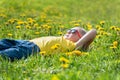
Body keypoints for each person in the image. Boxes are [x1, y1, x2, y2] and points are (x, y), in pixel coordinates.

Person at [0, 27, 97, 61]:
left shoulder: (74, 46)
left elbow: (93, 31)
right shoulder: (62, 39)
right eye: (68, 30)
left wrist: (82, 44)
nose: (68, 32)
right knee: (3, 42)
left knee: (6, 55)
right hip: (27, 42)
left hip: (34, 48)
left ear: (81, 38)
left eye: (73, 31)